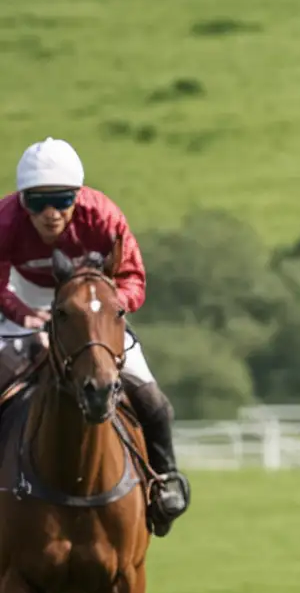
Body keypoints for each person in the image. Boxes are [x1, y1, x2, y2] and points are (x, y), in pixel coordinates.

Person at [0, 138, 189, 534]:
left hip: (92, 307)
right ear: (22, 202)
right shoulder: (5, 221)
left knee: (152, 399)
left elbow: (133, 276)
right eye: (37, 203)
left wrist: (106, 309)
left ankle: (164, 483)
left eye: (62, 200)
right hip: (22, 300)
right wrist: (28, 317)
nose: (51, 214)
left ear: (79, 195)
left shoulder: (103, 216)